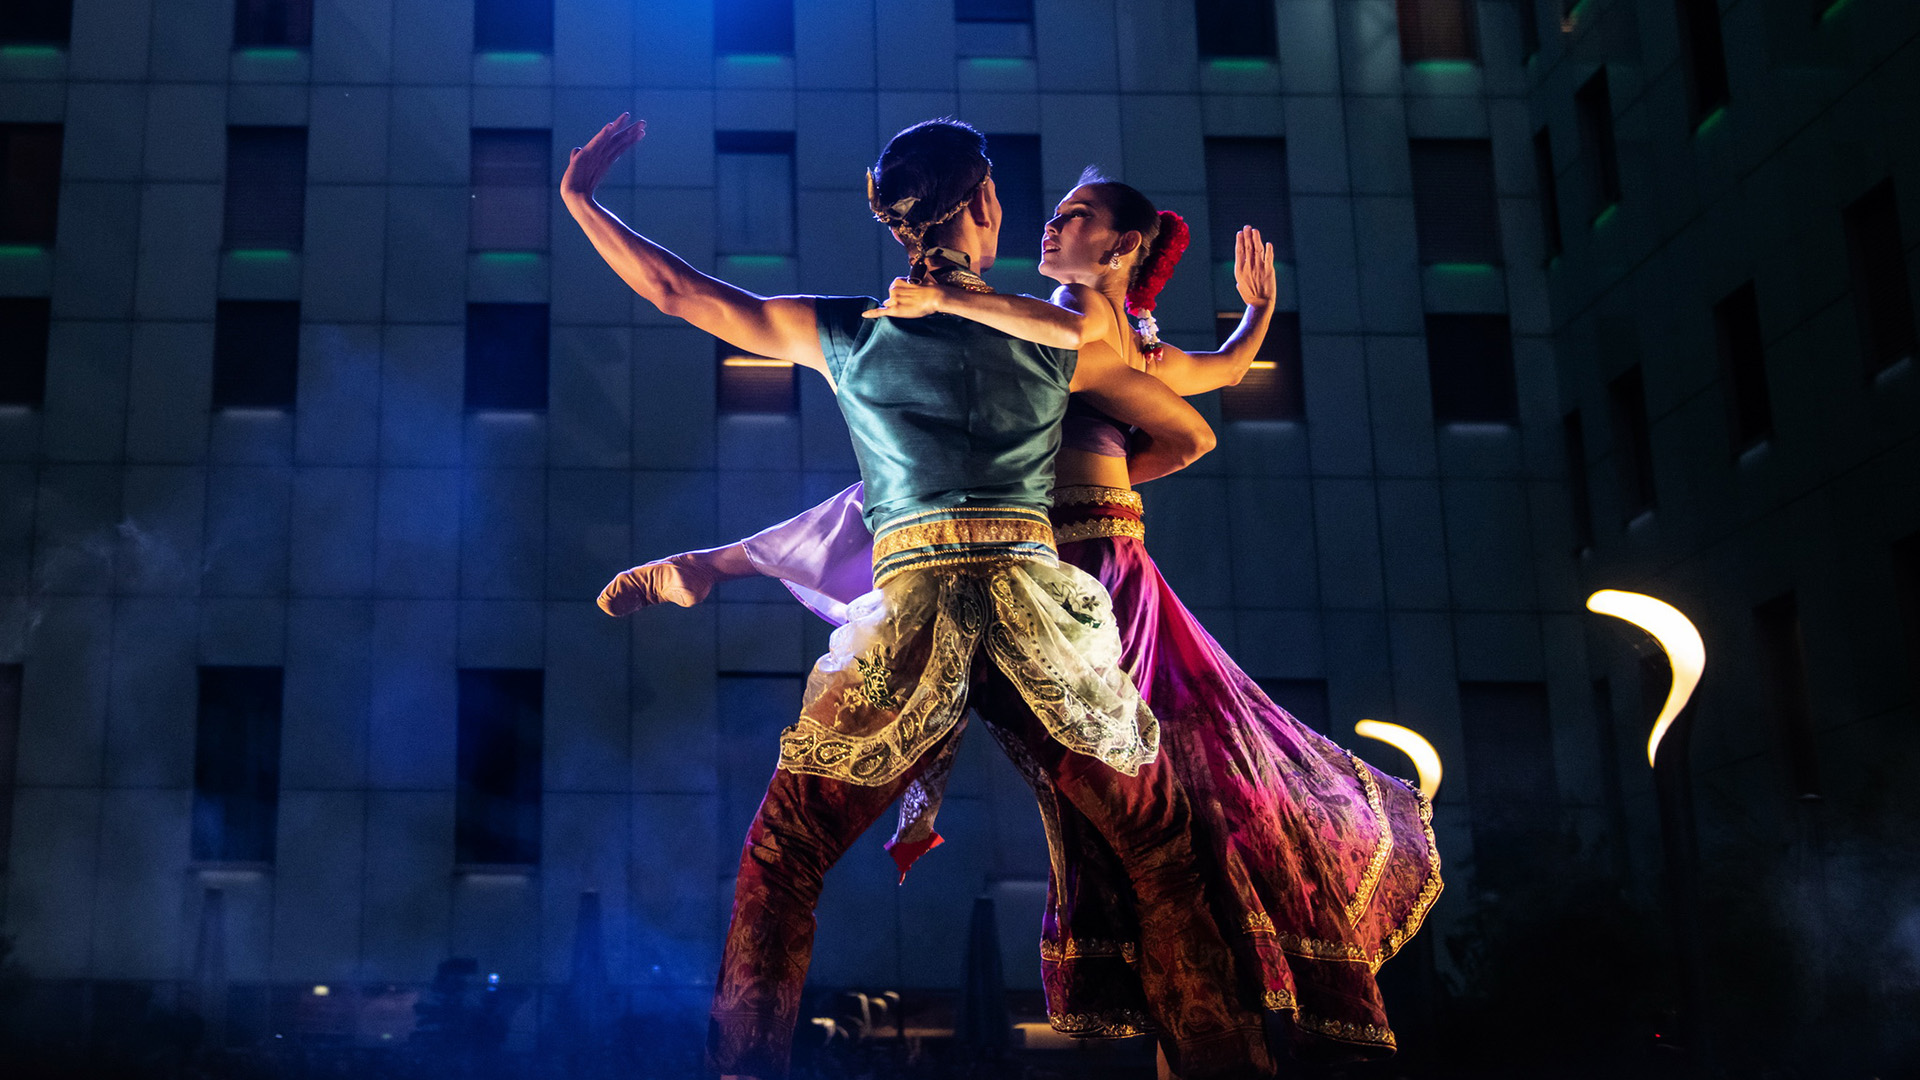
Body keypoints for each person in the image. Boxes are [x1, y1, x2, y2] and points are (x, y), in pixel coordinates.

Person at [599, 172, 1443, 1063]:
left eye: (1074, 217)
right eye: (1042, 211)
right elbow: (1195, 419)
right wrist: (1239, 338)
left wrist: (581, 200)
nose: (1050, 223)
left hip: (983, 584)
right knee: (1161, 850)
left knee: (792, 844)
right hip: (1049, 592)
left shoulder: (926, 326)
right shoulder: (1055, 338)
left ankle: (716, 565)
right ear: (987, 210)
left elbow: (680, 292)